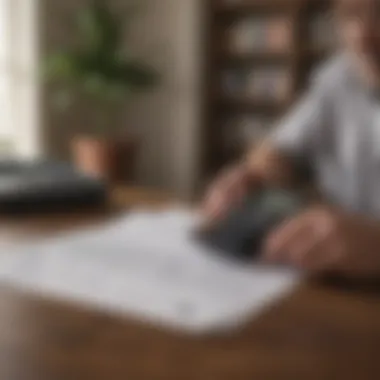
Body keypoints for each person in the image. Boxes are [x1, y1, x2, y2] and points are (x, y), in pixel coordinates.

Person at [202, 0, 380, 278]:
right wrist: (248, 178)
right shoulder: (340, 76)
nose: (362, 37)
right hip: (339, 281)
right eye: (350, 16)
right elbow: (279, 151)